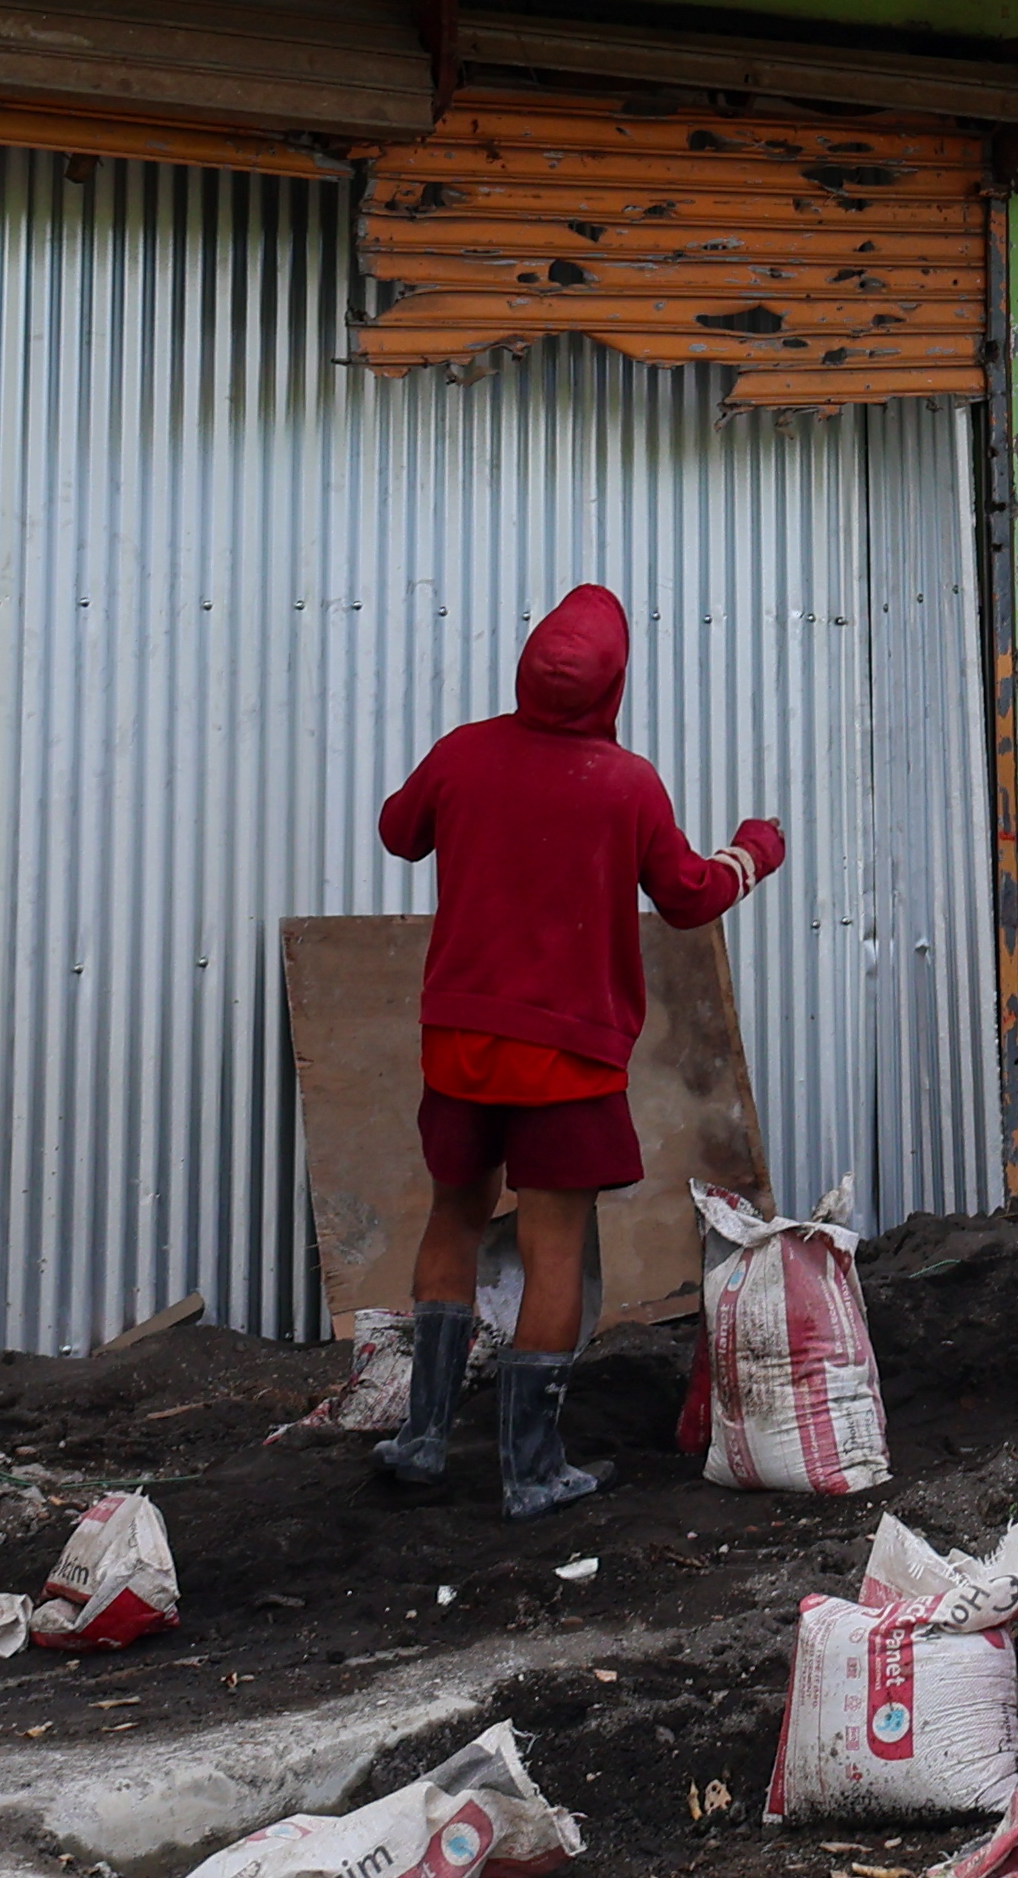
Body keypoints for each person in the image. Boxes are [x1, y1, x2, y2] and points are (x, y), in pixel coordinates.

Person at [369, 586, 785, 1518]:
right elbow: (685, 897)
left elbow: (400, 831)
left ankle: (424, 1438)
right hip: (567, 1057)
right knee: (554, 1246)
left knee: (454, 1216)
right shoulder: (626, 784)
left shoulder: (463, 753)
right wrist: (753, 851)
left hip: (463, 1041)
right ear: (614, 685)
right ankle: (531, 1469)